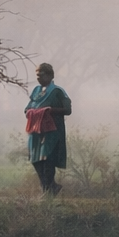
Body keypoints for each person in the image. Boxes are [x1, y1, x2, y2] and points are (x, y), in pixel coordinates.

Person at [25, 62, 72, 195]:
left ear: (50, 76)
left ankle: (47, 190)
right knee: (36, 160)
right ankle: (50, 186)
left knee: (48, 160)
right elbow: (28, 107)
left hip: (53, 131)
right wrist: (32, 112)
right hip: (36, 131)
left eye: (42, 75)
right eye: (37, 75)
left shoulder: (58, 91)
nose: (39, 78)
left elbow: (67, 110)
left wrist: (49, 111)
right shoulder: (36, 91)